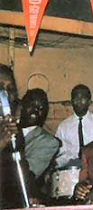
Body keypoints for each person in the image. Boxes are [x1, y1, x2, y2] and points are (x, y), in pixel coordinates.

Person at [0, 64, 38, 208]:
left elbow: (19, 167)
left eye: (10, 89)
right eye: (1, 88)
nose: (6, 94)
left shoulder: (12, 128)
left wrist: (30, 195)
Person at [20, 88, 61, 195]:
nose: (36, 110)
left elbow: (26, 175)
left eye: (41, 108)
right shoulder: (5, 130)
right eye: (32, 104)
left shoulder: (49, 142)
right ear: (22, 105)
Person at [55, 84, 93, 168]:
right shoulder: (63, 127)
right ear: (71, 101)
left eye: (83, 98)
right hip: (72, 167)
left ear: (89, 101)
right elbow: (61, 154)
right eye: (76, 98)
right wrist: (56, 164)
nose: (79, 101)